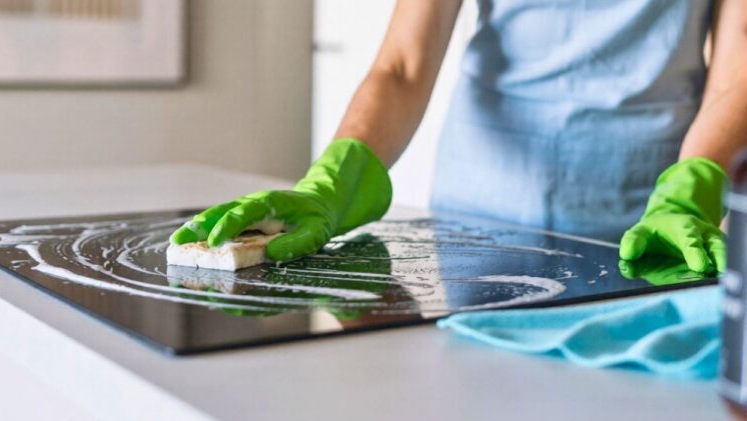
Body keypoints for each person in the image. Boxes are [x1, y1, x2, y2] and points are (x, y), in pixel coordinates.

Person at [172, 0, 747, 275]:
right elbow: (403, 65)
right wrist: (332, 179)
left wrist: (690, 190)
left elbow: (736, 71)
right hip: (477, 220)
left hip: (646, 224)